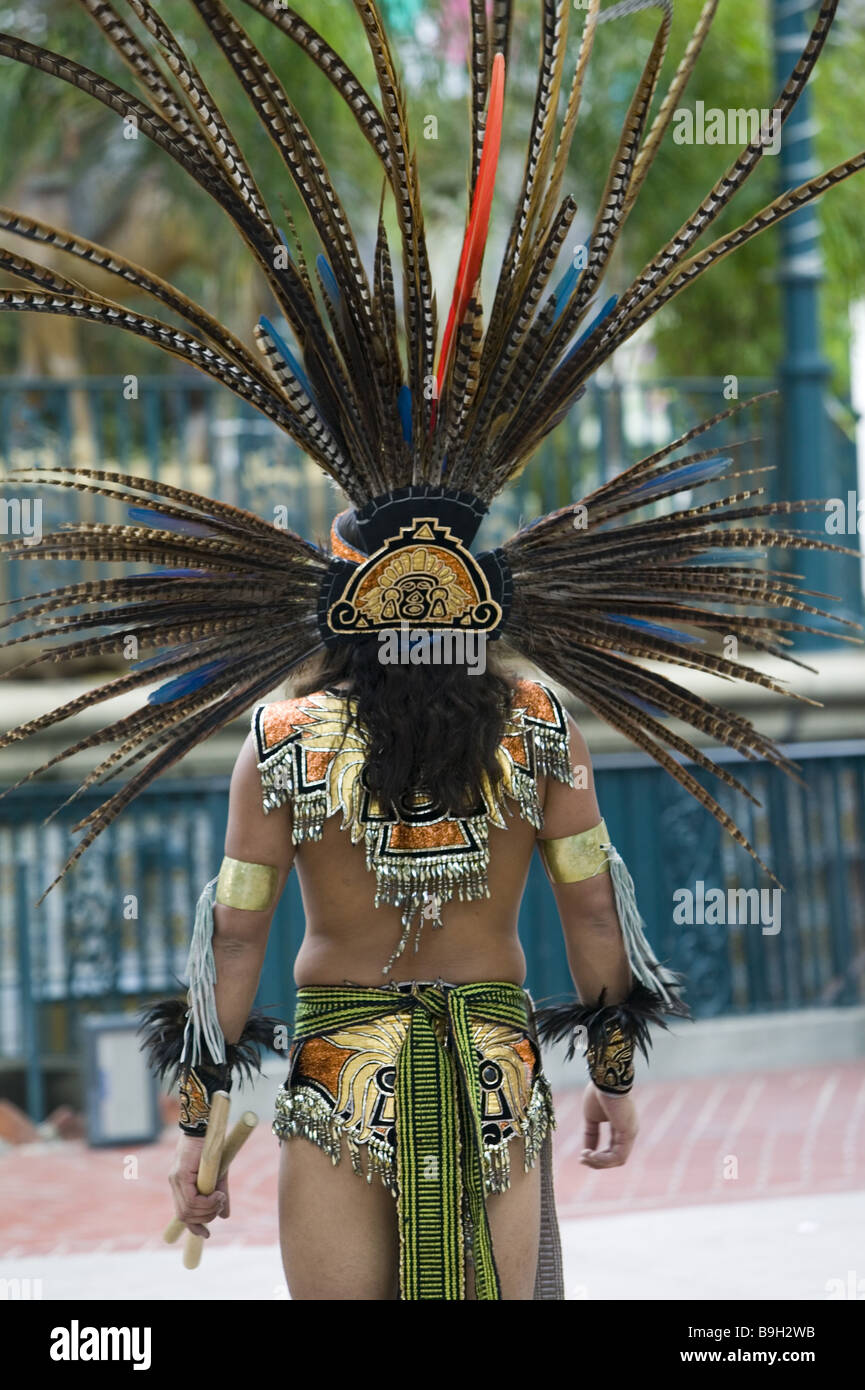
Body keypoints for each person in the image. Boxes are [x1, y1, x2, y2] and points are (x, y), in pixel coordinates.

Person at [166, 640, 645, 1300]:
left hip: (338, 1077)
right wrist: (610, 1072)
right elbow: (594, 912)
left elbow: (234, 942)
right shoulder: (539, 724)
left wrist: (200, 1128)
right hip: (491, 1078)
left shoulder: (278, 739)